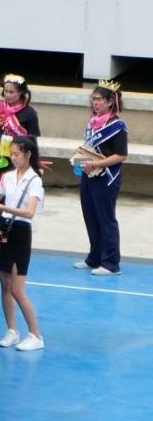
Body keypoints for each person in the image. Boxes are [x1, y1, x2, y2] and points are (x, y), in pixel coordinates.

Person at [0, 134, 44, 352]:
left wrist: (4, 208)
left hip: (20, 233)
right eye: (11, 154)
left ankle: (35, 334)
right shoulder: (7, 177)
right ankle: (12, 330)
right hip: (3, 229)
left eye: (17, 154)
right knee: (5, 284)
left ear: (28, 154)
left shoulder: (35, 180)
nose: (13, 158)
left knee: (17, 289)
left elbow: (29, 212)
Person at [75, 80, 128, 276]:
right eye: (93, 99)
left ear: (110, 102)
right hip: (89, 175)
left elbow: (121, 155)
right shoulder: (93, 121)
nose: (95, 103)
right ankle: (95, 258)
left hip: (107, 178)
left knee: (106, 219)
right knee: (91, 217)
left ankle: (111, 263)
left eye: (99, 100)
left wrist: (96, 164)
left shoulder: (117, 126)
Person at [0, 73, 40, 196]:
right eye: (5, 91)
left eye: (11, 92)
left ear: (21, 92)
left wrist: (35, 166)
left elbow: (33, 143)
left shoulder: (30, 114)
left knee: (13, 197)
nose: (7, 95)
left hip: (17, 162)